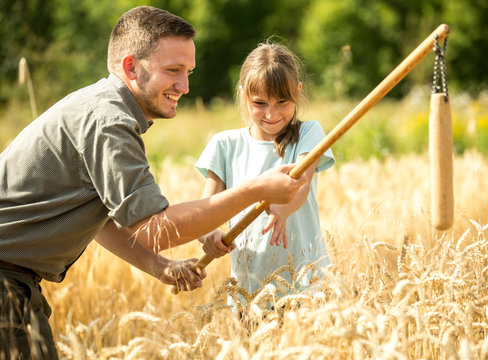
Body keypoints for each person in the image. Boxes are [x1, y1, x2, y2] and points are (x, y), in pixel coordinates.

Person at [0, 7, 307, 359]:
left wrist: (158, 266)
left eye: (188, 72)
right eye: (173, 70)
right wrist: (255, 190)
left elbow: (99, 219)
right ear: (131, 67)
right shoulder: (109, 122)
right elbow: (155, 229)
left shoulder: (102, 108)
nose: (185, 86)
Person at [196, 41, 335, 307]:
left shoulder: (308, 133)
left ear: (298, 92)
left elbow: (301, 182)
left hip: (307, 283)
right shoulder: (224, 145)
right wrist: (209, 235)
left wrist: (283, 209)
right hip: (249, 290)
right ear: (243, 96)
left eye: (282, 102)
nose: (271, 114)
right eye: (259, 103)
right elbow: (206, 209)